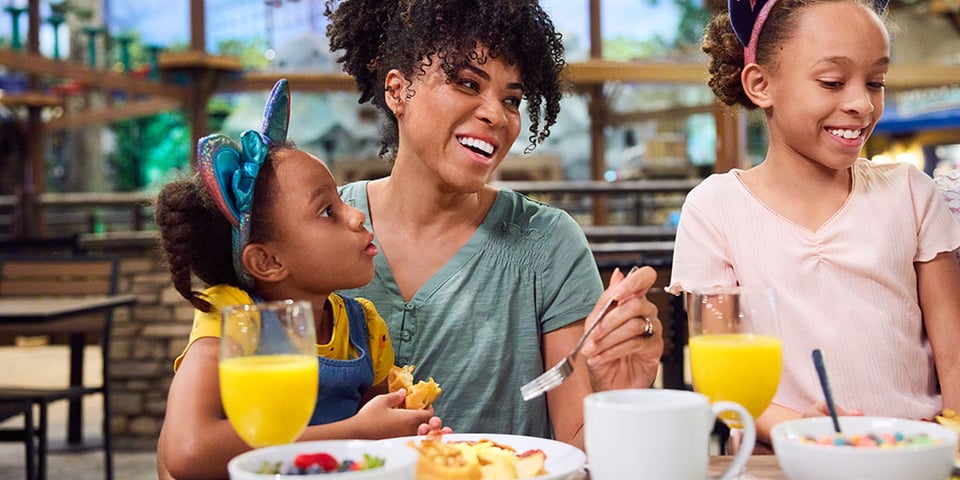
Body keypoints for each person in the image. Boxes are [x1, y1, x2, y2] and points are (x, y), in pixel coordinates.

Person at [323, 0, 665, 448]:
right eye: (467, 83)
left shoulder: (549, 245)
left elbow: (577, 448)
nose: (496, 115)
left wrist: (617, 394)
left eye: (511, 100)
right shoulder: (320, 229)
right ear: (397, 90)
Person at [668, 0, 960, 449]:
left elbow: (955, 357)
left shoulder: (910, 193)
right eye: (832, 82)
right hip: (778, 461)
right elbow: (720, 380)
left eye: (876, 82)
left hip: (914, 456)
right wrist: (801, 428)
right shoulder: (715, 208)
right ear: (761, 84)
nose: (862, 103)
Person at [154, 80, 442, 480]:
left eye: (342, 200)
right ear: (268, 261)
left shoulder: (364, 328)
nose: (357, 216)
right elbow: (186, 452)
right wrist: (355, 433)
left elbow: (379, 442)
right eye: (328, 211)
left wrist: (407, 432)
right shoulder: (232, 316)